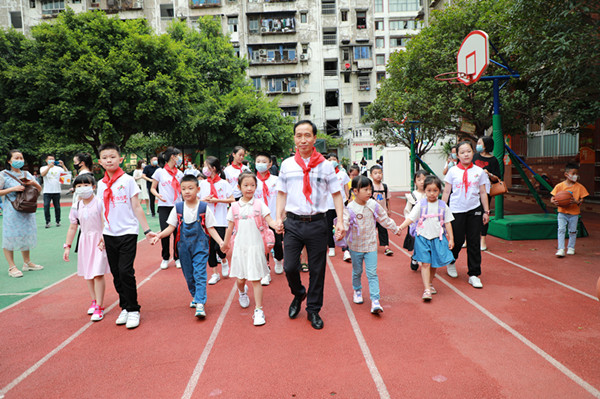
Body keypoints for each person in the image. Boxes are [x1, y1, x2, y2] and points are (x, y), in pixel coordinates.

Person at [275, 120, 345, 330]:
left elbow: (336, 194)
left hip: (317, 223)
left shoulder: (325, 166)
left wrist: (339, 220)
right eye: (299, 135)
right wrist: (279, 217)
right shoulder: (287, 165)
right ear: (294, 138)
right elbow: (281, 193)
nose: (303, 139)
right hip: (293, 222)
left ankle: (313, 310)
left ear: (315, 138)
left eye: (307, 135)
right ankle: (298, 293)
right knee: (289, 266)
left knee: (317, 269)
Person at [96, 143, 155, 329]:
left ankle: (133, 309)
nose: (109, 160)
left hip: (128, 232)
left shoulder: (128, 180)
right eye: (105, 157)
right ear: (100, 162)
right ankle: (124, 306)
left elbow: (136, 206)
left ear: (120, 159)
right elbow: (101, 210)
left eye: (112, 156)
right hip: (109, 233)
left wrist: (146, 230)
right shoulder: (100, 184)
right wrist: (100, 235)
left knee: (125, 271)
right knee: (115, 273)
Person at [150, 174, 224, 319]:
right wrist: (159, 236)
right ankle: (195, 296)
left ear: (198, 189)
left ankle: (201, 303)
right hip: (183, 248)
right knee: (189, 276)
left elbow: (211, 228)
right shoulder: (177, 208)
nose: (187, 191)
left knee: (200, 274)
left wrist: (221, 242)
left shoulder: (203, 207)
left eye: (190, 188)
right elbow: (171, 227)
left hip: (200, 247)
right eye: (184, 189)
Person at [222, 172, 278, 326]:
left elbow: (270, 221)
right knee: (240, 279)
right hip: (240, 246)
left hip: (256, 246)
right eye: (245, 185)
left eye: (252, 185)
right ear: (239, 187)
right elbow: (230, 227)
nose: (249, 188)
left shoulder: (260, 204)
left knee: (255, 278)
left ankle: (259, 310)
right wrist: (225, 244)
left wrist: (277, 225)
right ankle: (242, 291)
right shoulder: (234, 206)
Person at [344, 175, 401, 314]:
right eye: (365, 189)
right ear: (355, 191)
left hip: (370, 245)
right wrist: (340, 232)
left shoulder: (373, 204)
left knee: (372, 273)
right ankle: (357, 290)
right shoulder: (350, 207)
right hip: (355, 246)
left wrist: (395, 228)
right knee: (357, 271)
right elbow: (344, 222)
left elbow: (384, 218)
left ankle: (375, 300)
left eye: (370, 189)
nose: (369, 192)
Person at [442, 141, 490, 288]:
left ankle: (474, 274)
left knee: (474, 241)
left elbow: (483, 192)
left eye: (468, 151)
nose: (466, 154)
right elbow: (446, 192)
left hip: (474, 209)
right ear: (458, 155)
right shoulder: (452, 172)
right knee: (456, 240)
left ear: (473, 152)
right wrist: (442, 210)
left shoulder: (479, 171)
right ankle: (451, 261)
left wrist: (486, 211)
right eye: (462, 152)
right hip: (456, 210)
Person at [63, 174, 110, 321]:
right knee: (88, 274)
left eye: (86, 185)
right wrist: (67, 246)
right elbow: (72, 227)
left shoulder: (99, 202)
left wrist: (103, 238)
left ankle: (100, 306)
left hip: (98, 240)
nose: (82, 188)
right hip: (84, 241)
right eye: (79, 186)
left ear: (93, 187)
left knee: (97, 273)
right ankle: (94, 300)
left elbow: (104, 222)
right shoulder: (76, 205)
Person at [399, 175, 455, 301]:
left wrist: (451, 238)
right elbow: (411, 218)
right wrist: (401, 228)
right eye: (429, 190)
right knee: (425, 263)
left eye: (435, 191)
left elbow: (448, 223)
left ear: (439, 191)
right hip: (422, 238)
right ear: (424, 190)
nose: (432, 194)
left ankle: (429, 283)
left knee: (434, 264)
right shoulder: (421, 205)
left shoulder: (443, 206)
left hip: (437, 238)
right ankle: (427, 289)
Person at [0, 150, 43, 278]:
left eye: (21, 157)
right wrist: (13, 189)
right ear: (9, 161)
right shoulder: (4, 174)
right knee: (10, 236)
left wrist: (33, 183)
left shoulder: (26, 173)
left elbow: (39, 190)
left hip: (27, 209)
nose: (19, 160)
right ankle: (12, 267)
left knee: (26, 234)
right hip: (12, 210)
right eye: (16, 158)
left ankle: (27, 262)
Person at [199, 156, 234, 285]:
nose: (204, 169)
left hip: (220, 219)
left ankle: (223, 260)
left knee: (218, 246)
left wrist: (217, 200)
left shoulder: (224, 184)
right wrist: (205, 199)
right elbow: (196, 199)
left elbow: (232, 199)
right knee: (209, 248)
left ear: (213, 168)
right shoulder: (202, 184)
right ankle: (214, 273)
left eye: (206, 166)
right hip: (206, 220)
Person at [151, 147, 184, 270]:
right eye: (178, 156)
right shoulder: (160, 172)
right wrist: (157, 195)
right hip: (164, 206)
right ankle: (165, 257)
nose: (180, 158)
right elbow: (153, 188)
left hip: (178, 206)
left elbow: (184, 189)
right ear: (172, 157)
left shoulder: (180, 174)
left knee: (178, 233)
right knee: (165, 233)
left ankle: (177, 257)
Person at [254, 151, 283, 285]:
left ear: (270, 164)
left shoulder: (276, 180)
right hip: (259, 218)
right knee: (261, 246)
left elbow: (282, 198)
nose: (260, 164)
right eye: (258, 161)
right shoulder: (252, 181)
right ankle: (266, 271)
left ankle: (278, 259)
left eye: (263, 161)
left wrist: (281, 215)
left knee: (276, 243)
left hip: (274, 217)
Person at [550, 163, 589, 257]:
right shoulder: (559, 186)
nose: (575, 176)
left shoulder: (580, 187)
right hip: (562, 212)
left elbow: (581, 200)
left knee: (572, 231)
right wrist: (553, 202)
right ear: (566, 174)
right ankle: (561, 249)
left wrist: (576, 201)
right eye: (573, 173)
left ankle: (571, 247)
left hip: (574, 213)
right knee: (561, 229)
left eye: (576, 174)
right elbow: (552, 198)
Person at [473, 136, 501, 251]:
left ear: (486, 145)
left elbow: (497, 178)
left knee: (484, 213)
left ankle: (483, 239)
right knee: (470, 214)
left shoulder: (493, 160)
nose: (477, 145)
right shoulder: (474, 157)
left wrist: (488, 174)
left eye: (480, 143)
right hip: (472, 190)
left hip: (486, 191)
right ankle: (467, 238)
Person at [325, 153, 350, 260]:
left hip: (341, 205)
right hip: (328, 205)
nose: (332, 162)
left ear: (338, 161)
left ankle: (346, 249)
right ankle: (331, 247)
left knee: (344, 226)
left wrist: (348, 200)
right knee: (329, 227)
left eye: (334, 159)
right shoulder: (325, 175)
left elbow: (346, 189)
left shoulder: (343, 175)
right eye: (329, 160)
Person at [404, 170, 427, 271]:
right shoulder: (412, 196)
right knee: (417, 243)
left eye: (424, 179)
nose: (422, 182)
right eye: (419, 180)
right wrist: (409, 222)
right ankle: (415, 257)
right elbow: (407, 210)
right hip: (415, 225)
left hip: (427, 224)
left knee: (426, 243)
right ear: (415, 182)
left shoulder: (430, 194)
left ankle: (423, 259)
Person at [370, 164, 394, 256]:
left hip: (382, 212)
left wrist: (389, 210)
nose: (378, 175)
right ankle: (370, 247)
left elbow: (387, 199)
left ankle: (386, 247)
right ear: (371, 175)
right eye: (375, 173)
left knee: (383, 229)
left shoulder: (384, 186)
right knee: (370, 230)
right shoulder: (370, 186)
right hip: (372, 213)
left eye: (380, 173)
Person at [40, 154, 65, 228]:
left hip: (56, 190)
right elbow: (43, 174)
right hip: (47, 191)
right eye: (50, 159)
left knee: (57, 206)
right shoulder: (43, 168)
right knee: (46, 206)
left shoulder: (59, 169)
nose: (51, 160)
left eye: (53, 159)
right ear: (46, 160)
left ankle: (58, 221)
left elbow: (66, 175)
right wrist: (49, 167)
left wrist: (63, 165)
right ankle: (48, 221)